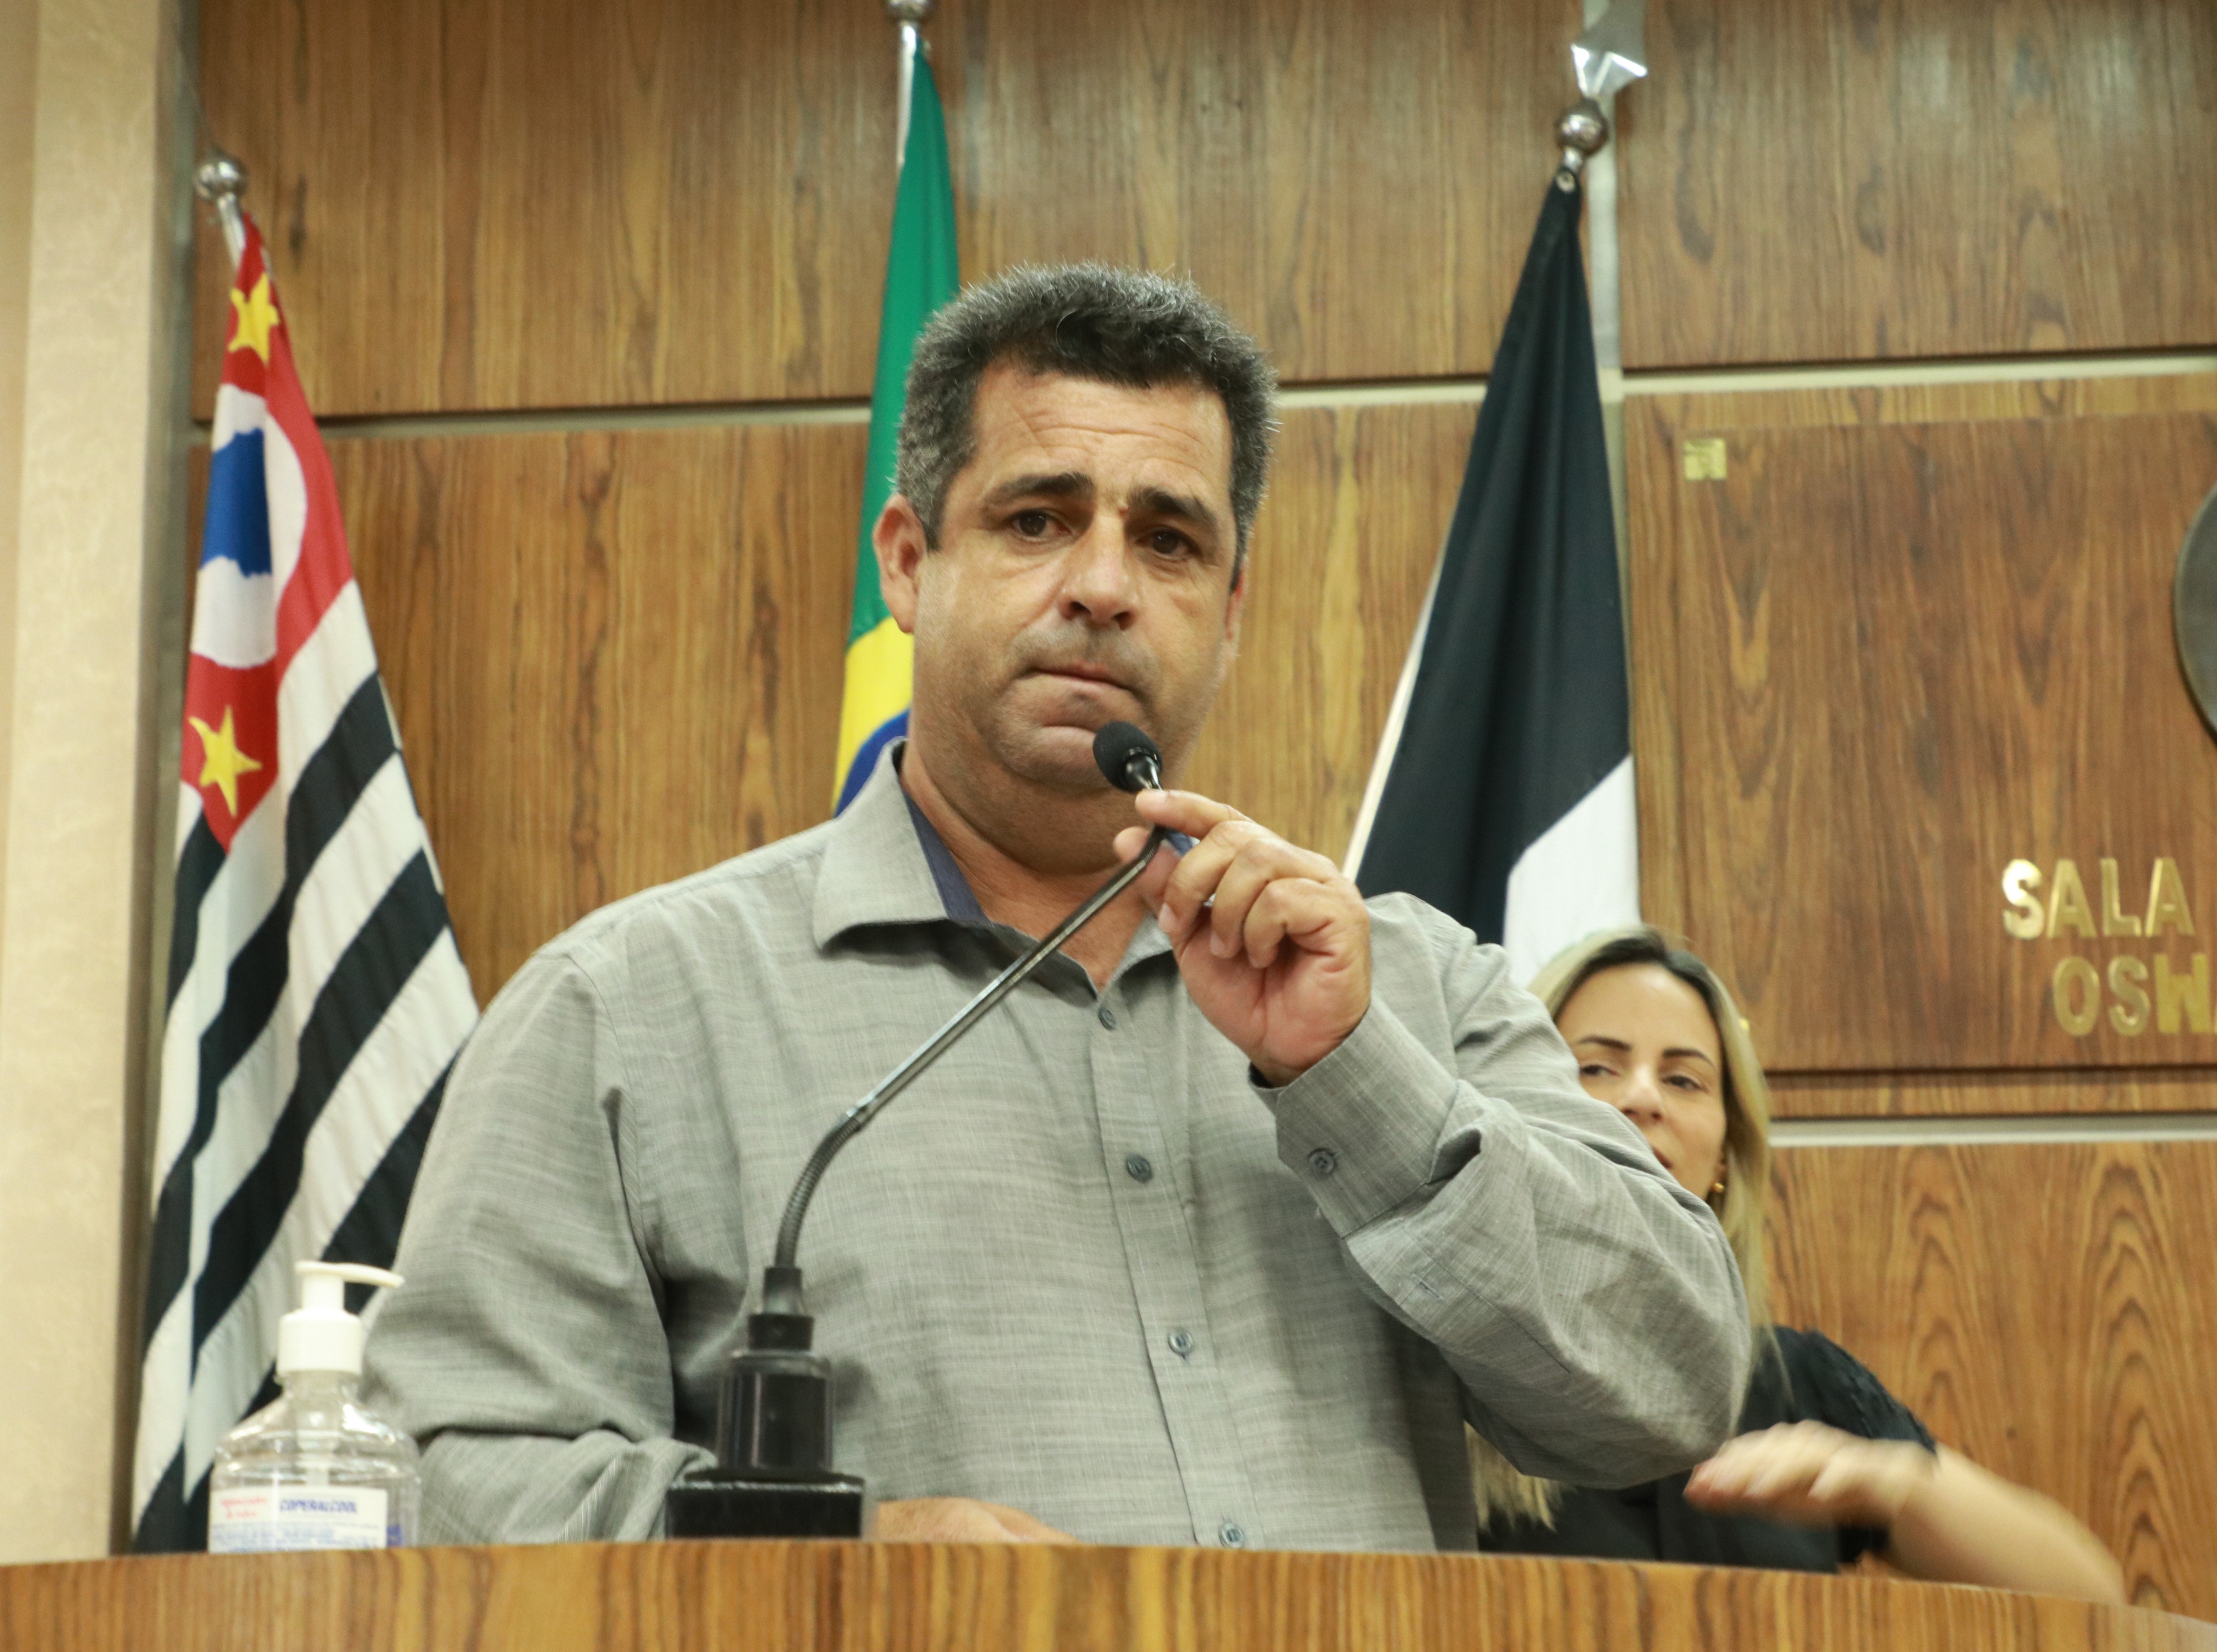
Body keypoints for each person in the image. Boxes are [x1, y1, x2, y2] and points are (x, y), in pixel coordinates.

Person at [364, 265, 1751, 1550]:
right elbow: (453, 1478)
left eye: (1167, 541)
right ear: (908, 563)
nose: (1101, 587)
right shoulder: (628, 1006)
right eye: (1036, 520)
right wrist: (831, 1556)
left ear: (1230, 607)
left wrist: (1354, 1078)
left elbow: (1670, 1392)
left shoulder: (1415, 985)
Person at [1474, 928, 2125, 1603]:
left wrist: (1897, 1487)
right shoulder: (1440, 1372)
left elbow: (2089, 1596)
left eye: (1683, 1079)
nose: (1643, 1097)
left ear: (1724, 1158)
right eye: (1595, 1068)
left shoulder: (1792, 1382)